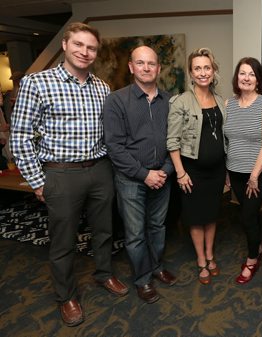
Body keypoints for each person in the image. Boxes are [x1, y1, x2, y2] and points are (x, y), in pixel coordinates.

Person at [9, 22, 128, 327]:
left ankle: (104, 274)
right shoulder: (38, 83)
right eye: (78, 45)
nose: (84, 52)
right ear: (65, 45)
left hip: (101, 170)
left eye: (90, 47)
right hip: (61, 174)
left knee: (104, 231)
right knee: (63, 241)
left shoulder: (102, 87)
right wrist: (37, 181)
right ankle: (67, 296)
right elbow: (20, 137)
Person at [103, 46, 177, 304]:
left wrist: (166, 171)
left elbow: (175, 141)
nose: (146, 68)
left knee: (157, 227)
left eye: (151, 64)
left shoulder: (170, 101)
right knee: (135, 233)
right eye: (140, 63)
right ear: (131, 67)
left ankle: (156, 267)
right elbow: (115, 146)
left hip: (163, 177)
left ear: (158, 68)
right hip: (131, 180)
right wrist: (145, 174)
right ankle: (143, 279)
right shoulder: (117, 100)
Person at [167, 47, 226, 285]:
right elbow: (172, 141)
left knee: (211, 215)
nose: (203, 72)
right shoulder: (180, 101)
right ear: (191, 73)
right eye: (197, 68)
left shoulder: (221, 101)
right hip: (191, 172)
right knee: (195, 217)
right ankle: (201, 261)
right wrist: (180, 173)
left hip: (217, 170)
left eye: (207, 67)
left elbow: (224, 137)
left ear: (213, 71)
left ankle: (211, 254)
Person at [224, 57, 262, 284]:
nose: (246, 78)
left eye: (251, 74)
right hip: (234, 170)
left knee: (247, 216)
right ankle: (258, 246)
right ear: (237, 77)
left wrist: (254, 176)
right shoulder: (229, 104)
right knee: (247, 214)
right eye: (242, 73)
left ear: (258, 79)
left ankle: (252, 259)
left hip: (258, 172)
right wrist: (227, 172)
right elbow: (227, 142)